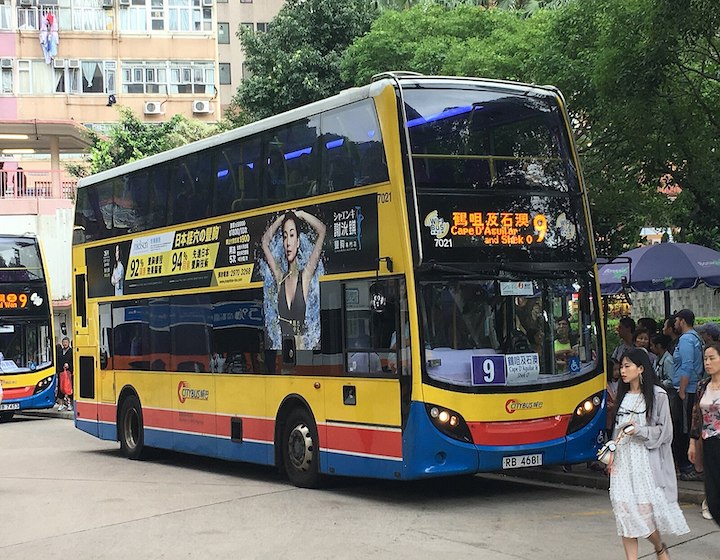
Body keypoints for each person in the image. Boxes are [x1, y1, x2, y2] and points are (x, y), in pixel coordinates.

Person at [609, 348, 689, 559]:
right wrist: (611, 454)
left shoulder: (657, 395)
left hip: (645, 462)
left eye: (627, 366)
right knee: (625, 515)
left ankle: (659, 546)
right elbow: (616, 431)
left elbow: (665, 433)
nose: (623, 371)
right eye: (621, 366)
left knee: (644, 516)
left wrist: (640, 431)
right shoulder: (621, 395)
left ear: (641, 368)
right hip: (623, 462)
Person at [262, 210, 326, 351]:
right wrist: (282, 218)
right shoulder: (280, 278)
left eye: (291, 235)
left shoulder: (305, 276)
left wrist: (302, 214)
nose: (288, 243)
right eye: (285, 237)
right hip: (282, 354)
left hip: (305, 355)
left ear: (298, 242)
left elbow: (322, 230)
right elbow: (265, 242)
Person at [689, 341, 720, 527]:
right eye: (705, 359)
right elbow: (695, 415)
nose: (707, 362)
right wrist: (692, 443)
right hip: (708, 444)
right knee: (712, 494)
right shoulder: (702, 386)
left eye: (712, 358)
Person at [672, 309, 704, 480]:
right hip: (693, 387)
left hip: (687, 388)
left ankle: (686, 465)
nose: (675, 323)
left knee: (684, 428)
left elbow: (687, 365)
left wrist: (682, 390)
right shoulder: (696, 337)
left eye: (677, 320)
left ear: (682, 321)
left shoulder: (686, 340)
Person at [55, 337, 73, 411]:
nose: (65, 344)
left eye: (66, 342)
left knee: (68, 387)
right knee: (61, 388)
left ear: (68, 343)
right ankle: (61, 404)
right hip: (61, 372)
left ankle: (70, 404)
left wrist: (69, 365)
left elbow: (73, 361)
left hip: (68, 373)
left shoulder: (71, 351)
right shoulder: (60, 351)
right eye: (63, 342)